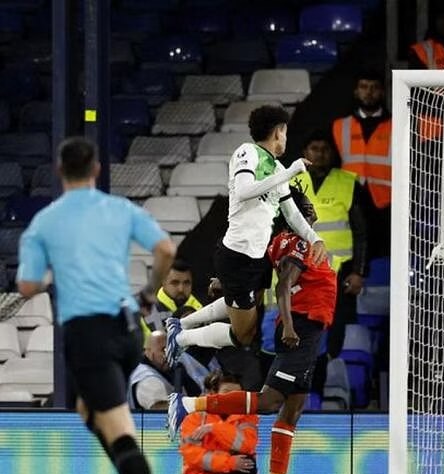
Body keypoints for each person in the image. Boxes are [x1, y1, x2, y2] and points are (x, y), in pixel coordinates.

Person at [16, 136, 176, 474]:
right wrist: (149, 292)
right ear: (97, 170)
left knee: (116, 426)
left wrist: (51, 276)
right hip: (127, 328)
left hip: (88, 334)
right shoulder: (119, 209)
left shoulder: (45, 222)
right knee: (91, 411)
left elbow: (27, 284)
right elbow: (166, 248)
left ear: (58, 171)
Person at [168, 192, 337, 474]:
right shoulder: (297, 243)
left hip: (311, 331)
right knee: (271, 401)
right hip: (299, 328)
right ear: (294, 216)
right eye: (306, 208)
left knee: (292, 410)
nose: (313, 211)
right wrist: (288, 326)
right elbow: (284, 285)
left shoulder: (280, 244)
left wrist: (226, 284)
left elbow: (258, 281)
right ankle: (189, 404)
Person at [164, 105, 326, 366]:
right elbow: (243, 191)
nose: (286, 138)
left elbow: (292, 213)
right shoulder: (247, 152)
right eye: (285, 132)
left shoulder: (276, 168)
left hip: (258, 255)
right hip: (237, 256)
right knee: (243, 335)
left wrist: (314, 238)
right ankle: (181, 338)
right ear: (278, 131)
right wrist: (290, 172)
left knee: (244, 316)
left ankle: (180, 323)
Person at [289, 131, 367, 359]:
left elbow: (362, 231)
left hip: (339, 271)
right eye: (314, 149)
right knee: (302, 324)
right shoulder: (292, 182)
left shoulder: (347, 182)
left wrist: (358, 272)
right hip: (301, 269)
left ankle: (331, 375)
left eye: (324, 149)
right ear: (305, 153)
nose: (320, 154)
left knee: (335, 328)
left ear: (332, 153)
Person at [171, 371, 258, 474]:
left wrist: (215, 428)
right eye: (227, 392)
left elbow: (247, 445)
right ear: (212, 393)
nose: (232, 398)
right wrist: (228, 463)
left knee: (248, 463)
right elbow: (192, 455)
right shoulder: (194, 417)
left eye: (237, 394)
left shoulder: (247, 415)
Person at [332, 69, 391, 259]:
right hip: (351, 200)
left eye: (374, 87)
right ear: (356, 91)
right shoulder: (339, 125)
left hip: (387, 203)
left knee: (385, 258)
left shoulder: (398, 124)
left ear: (382, 92)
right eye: (364, 87)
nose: (369, 92)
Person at [127, 330, 217, 410]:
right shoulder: (147, 378)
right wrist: (197, 404)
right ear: (149, 353)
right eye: (163, 350)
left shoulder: (171, 367)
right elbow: (160, 411)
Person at [138, 258, 202, 344]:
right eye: (175, 283)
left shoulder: (201, 310)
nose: (181, 289)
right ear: (163, 282)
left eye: (186, 283)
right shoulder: (145, 311)